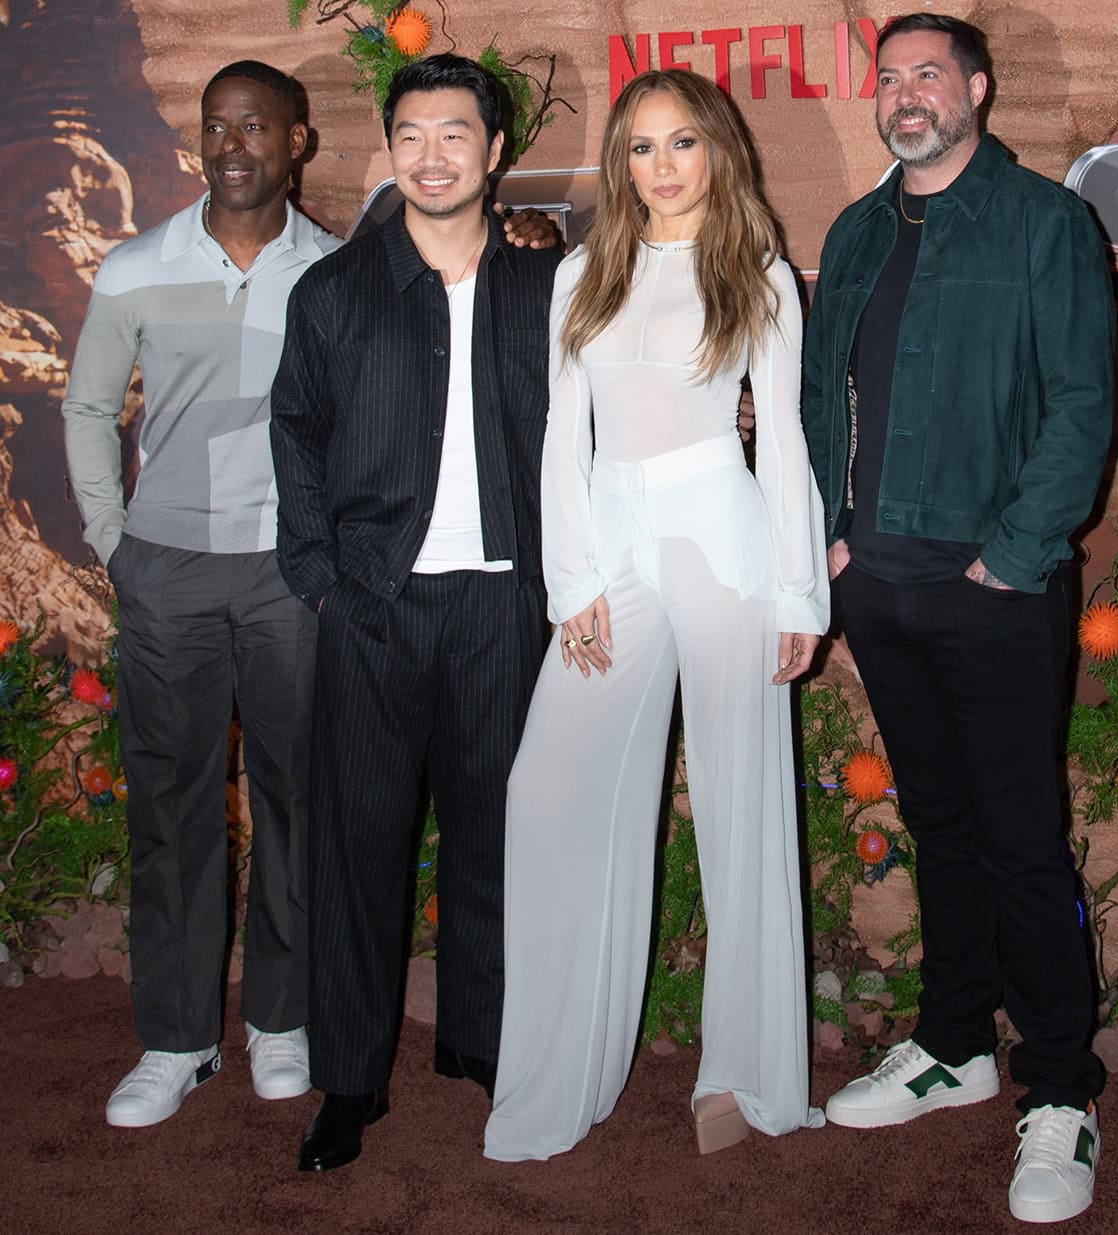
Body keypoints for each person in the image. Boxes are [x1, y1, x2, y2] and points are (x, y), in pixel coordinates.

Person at [63, 59, 553, 1132]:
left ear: (300, 143)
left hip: (330, 587)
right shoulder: (151, 266)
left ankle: (290, 1023)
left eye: (258, 125)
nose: (233, 143)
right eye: (216, 125)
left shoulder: (345, 265)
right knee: (186, 814)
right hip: (206, 575)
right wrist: (119, 546)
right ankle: (183, 1039)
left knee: (321, 818)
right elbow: (96, 411)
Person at [483, 67, 829, 1163]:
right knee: (545, 787)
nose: (661, 166)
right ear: (619, 163)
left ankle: (747, 1073)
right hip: (614, 558)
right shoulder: (584, 271)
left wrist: (796, 589)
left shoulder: (760, 276)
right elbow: (559, 440)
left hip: (727, 553)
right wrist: (569, 580)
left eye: (681, 142)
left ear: (718, 149)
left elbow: (784, 446)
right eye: (639, 147)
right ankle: (557, 1070)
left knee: (744, 814)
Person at [801, 14, 1113, 1225]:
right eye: (890, 78)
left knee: (1023, 838)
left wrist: (1013, 557)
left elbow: (1082, 401)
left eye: (930, 73)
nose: (907, 93)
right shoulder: (857, 226)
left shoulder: (1045, 222)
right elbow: (826, 393)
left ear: (977, 88)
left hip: (995, 589)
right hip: (875, 584)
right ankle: (952, 1043)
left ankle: (1061, 1089)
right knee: (939, 823)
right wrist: (827, 529)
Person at [269, 54, 561, 1173]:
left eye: (454, 135)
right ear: (387, 149)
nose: (431, 156)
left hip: (505, 610)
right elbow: (293, 435)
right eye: (410, 136)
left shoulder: (548, 287)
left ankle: (479, 1045)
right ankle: (349, 1079)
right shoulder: (335, 294)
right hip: (374, 612)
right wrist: (323, 581)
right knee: (357, 852)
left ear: (494, 152)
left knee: (497, 844)